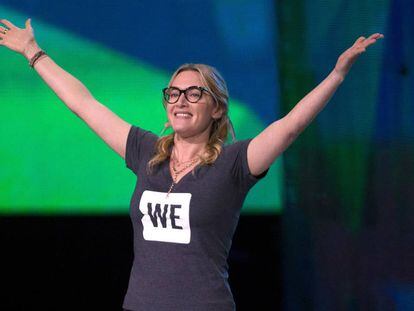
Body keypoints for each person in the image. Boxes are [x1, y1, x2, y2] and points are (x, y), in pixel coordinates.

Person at [0, 18, 383, 311]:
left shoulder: (234, 163)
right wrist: (35, 53)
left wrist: (337, 75)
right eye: (174, 93)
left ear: (216, 107)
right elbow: (84, 104)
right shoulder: (145, 152)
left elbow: (290, 127)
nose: (181, 100)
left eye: (194, 93)